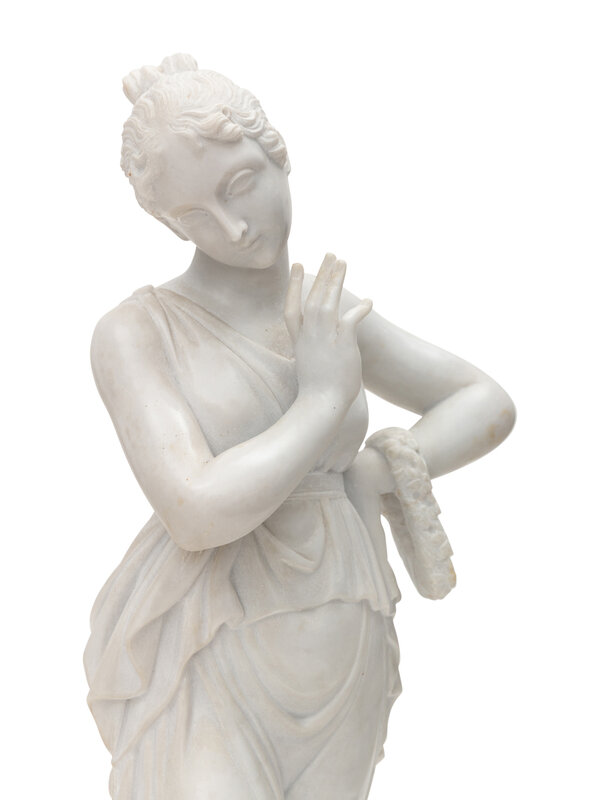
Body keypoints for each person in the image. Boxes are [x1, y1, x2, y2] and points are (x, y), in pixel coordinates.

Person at [84, 53, 515, 800]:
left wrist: (376, 471)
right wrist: (321, 402)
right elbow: (195, 511)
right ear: (166, 223)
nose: (233, 227)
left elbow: (485, 402)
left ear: (277, 153)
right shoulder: (137, 331)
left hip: (344, 626)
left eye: (239, 185)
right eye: (193, 216)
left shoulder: (325, 312)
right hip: (209, 642)